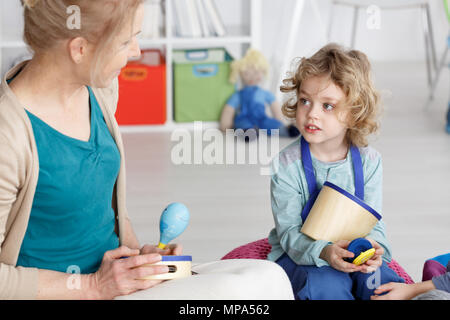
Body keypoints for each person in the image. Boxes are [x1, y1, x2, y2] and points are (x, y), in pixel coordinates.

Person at [0, 0, 293, 300]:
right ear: (79, 49)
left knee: (269, 276)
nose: (136, 51)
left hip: (118, 282)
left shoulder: (97, 90)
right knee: (238, 293)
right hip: (75, 294)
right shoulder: (8, 136)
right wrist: (93, 286)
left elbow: (102, 205)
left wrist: (141, 256)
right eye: (126, 41)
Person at [266, 43, 405, 300]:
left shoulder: (369, 162)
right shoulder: (286, 165)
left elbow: (374, 222)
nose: (312, 114)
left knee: (380, 282)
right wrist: (325, 252)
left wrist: (377, 249)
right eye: (305, 101)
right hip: (306, 256)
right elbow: (289, 233)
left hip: (354, 252)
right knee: (326, 288)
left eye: (327, 106)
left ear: (353, 114)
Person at [219, 48, 300, 140]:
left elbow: (275, 108)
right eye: (246, 73)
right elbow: (229, 110)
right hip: (244, 118)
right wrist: (225, 126)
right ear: (240, 74)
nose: (252, 76)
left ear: (263, 72)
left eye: (256, 72)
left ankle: (285, 130)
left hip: (262, 118)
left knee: (271, 123)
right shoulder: (238, 95)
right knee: (242, 124)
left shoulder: (264, 93)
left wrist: (282, 122)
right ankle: (248, 132)